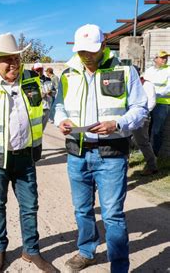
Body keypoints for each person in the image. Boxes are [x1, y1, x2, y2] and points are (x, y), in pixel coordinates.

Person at [54, 24, 147, 273]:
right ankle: (87, 251)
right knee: (82, 209)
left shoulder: (124, 70)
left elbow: (140, 108)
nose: (87, 56)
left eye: (92, 51)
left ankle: (119, 267)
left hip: (111, 155)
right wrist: (60, 120)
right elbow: (59, 107)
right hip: (77, 152)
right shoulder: (68, 74)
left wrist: (117, 123)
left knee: (113, 215)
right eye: (82, 51)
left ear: (104, 46)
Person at [0, 33, 56, 273]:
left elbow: (41, 112)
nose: (13, 64)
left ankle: (32, 251)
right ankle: (0, 249)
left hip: (25, 157)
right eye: (7, 59)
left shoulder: (31, 82)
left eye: (16, 58)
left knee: (30, 206)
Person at [131, 65, 158, 176]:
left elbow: (151, 102)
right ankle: (125, 163)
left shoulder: (147, 85)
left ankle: (152, 166)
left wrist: (141, 114)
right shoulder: (129, 83)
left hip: (142, 117)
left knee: (142, 142)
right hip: (128, 117)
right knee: (125, 141)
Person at [143, 50, 169, 157]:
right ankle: (146, 153)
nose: (165, 59)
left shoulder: (169, 70)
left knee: (157, 130)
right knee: (147, 128)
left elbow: (168, 88)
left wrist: (154, 95)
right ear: (155, 59)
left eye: (166, 57)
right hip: (148, 104)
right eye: (162, 57)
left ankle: (154, 155)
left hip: (163, 104)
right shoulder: (149, 71)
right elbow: (144, 86)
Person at [32, 62, 54, 130]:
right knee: (35, 130)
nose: (39, 72)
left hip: (47, 108)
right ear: (34, 70)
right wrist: (39, 95)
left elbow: (54, 90)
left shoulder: (49, 79)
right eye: (37, 70)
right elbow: (29, 94)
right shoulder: (32, 80)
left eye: (40, 70)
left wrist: (52, 92)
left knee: (42, 130)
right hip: (37, 109)